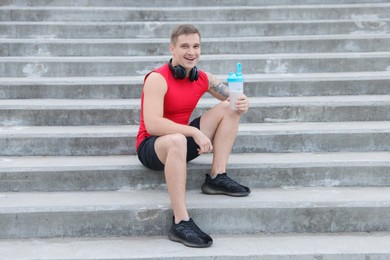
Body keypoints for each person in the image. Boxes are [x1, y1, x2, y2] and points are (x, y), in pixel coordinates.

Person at [136, 24, 250, 248]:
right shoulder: (157, 79)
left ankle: (217, 177)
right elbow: (152, 125)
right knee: (178, 139)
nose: (191, 52)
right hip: (153, 147)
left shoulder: (203, 78)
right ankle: (180, 221)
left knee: (231, 107)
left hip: (180, 141)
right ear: (172, 49)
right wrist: (193, 131)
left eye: (196, 46)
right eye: (185, 46)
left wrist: (242, 101)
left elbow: (232, 97)